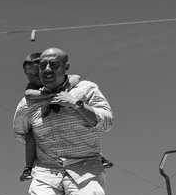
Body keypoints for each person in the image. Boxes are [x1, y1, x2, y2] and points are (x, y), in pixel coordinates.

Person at [12, 47, 113, 195]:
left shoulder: (86, 89)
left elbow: (107, 122)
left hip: (86, 167)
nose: (48, 69)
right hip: (47, 171)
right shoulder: (27, 104)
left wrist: (77, 105)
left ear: (66, 68)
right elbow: (20, 133)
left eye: (54, 65)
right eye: (44, 65)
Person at [19, 52, 112, 181]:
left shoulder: (71, 82)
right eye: (29, 75)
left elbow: (76, 78)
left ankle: (97, 156)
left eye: (37, 72)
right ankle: (28, 167)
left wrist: (62, 91)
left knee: (75, 125)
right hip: (49, 156)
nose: (34, 78)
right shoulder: (33, 87)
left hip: (80, 147)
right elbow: (28, 93)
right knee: (31, 133)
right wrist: (50, 94)